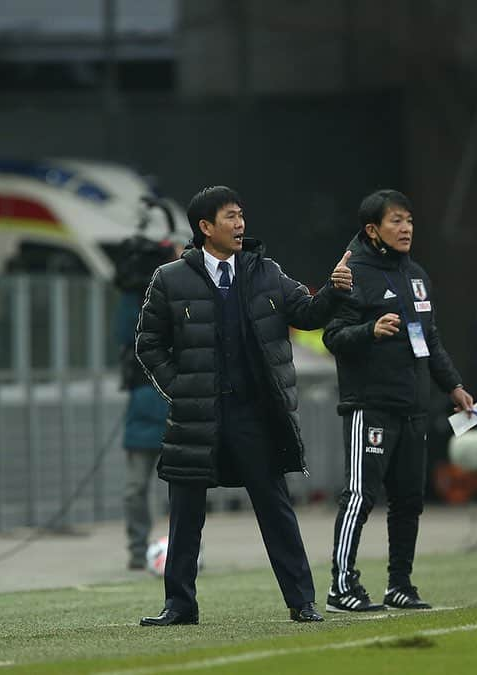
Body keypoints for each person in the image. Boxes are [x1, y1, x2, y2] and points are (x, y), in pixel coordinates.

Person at [135, 185, 353, 625]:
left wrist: (335, 290)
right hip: (198, 414)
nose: (240, 225)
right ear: (205, 227)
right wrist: (180, 387)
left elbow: (307, 313)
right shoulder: (169, 279)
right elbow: (148, 343)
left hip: (255, 414)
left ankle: (301, 601)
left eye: (241, 217)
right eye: (230, 217)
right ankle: (179, 605)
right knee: (186, 513)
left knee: (276, 510)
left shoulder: (266, 272)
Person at [322, 189, 474, 613]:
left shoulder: (417, 275)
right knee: (359, 496)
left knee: (409, 500)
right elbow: (332, 336)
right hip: (369, 405)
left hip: (413, 408)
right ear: (373, 230)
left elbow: (431, 340)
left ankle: (400, 585)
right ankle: (340, 587)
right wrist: (369, 330)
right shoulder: (351, 274)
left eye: (409, 220)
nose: (406, 228)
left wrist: (454, 386)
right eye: (396, 221)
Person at [114, 235, 186, 570]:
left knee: (185, 486)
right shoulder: (134, 298)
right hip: (144, 400)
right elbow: (125, 334)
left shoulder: (187, 287)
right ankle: (136, 550)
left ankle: (184, 549)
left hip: (180, 400)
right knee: (134, 488)